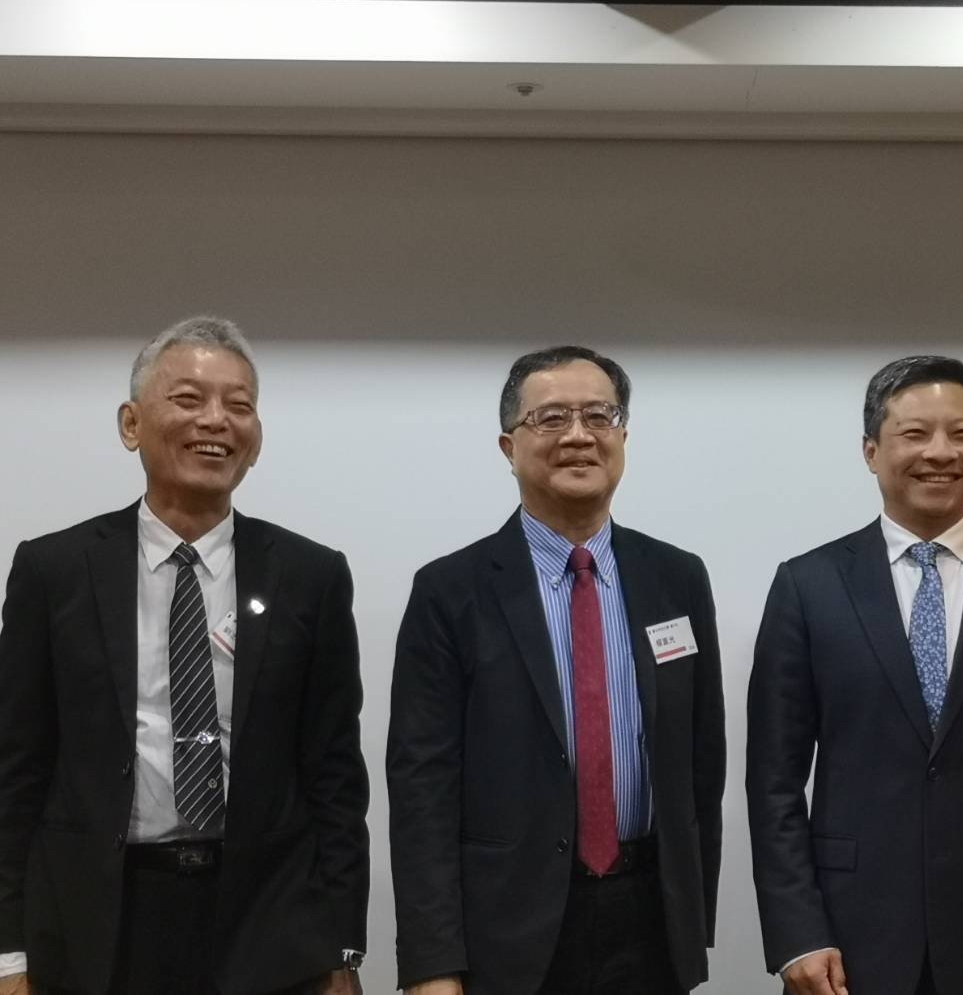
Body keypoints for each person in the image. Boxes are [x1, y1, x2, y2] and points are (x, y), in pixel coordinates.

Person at [0, 316, 370, 995]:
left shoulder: (309, 576)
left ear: (256, 439)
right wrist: (8, 954)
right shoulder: (54, 570)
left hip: (266, 922)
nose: (217, 420)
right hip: (98, 922)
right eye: (189, 398)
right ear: (131, 423)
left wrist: (341, 948)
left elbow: (334, 779)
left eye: (240, 405)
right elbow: (16, 770)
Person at [746, 355, 963, 995]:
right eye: (915, 434)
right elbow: (773, 781)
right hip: (848, 937)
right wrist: (797, 931)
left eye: (962, 434)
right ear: (871, 450)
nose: (941, 452)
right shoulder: (808, 586)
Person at [386, 346, 725, 995]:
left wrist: (691, 917)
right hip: (508, 933)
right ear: (508, 445)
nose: (578, 435)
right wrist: (432, 964)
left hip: (650, 924)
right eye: (550, 419)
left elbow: (700, 762)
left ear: (623, 436)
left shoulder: (676, 577)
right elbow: (421, 789)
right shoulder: (450, 591)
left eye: (599, 415)